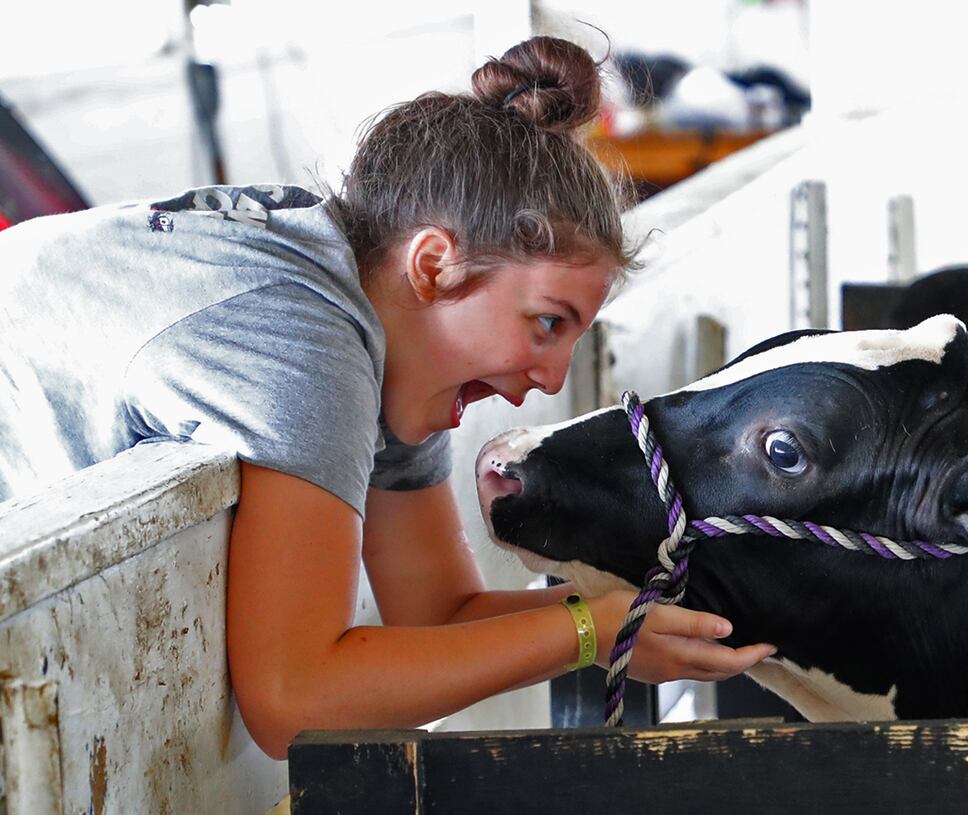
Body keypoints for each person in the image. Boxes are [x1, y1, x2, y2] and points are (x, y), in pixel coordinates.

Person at [0, 36, 775, 759]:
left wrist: (623, 624)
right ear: (434, 265)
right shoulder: (298, 332)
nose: (550, 376)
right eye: (546, 322)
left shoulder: (380, 329)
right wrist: (584, 630)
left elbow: (438, 616)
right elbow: (294, 698)